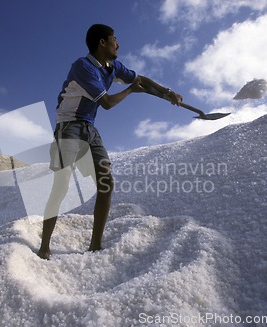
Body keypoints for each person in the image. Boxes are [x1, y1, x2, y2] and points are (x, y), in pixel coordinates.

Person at [37, 24, 183, 260]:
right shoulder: (83, 67)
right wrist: (130, 91)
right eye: (115, 39)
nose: (119, 44)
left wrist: (167, 93)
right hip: (69, 127)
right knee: (61, 186)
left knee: (106, 183)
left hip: (89, 128)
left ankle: (95, 245)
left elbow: (141, 80)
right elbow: (107, 103)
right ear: (102, 43)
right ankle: (44, 247)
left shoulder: (113, 67)